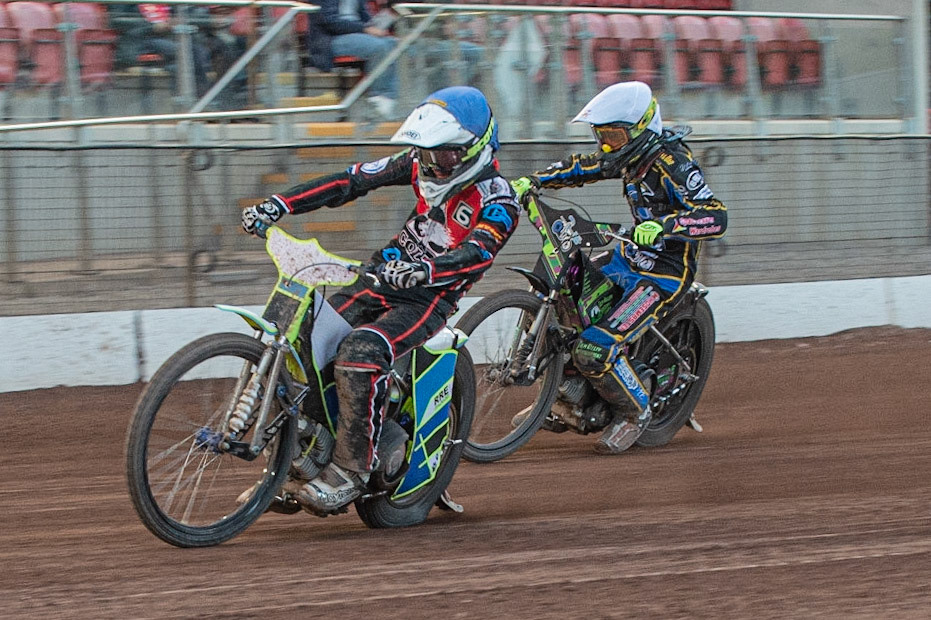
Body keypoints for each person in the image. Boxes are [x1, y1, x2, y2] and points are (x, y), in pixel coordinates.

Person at [241, 86, 519, 511]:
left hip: (428, 297)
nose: (431, 165)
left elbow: (478, 251)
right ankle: (296, 458)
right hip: (380, 275)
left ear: (474, 149)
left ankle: (352, 469)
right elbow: (350, 181)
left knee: (361, 350)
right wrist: (279, 204)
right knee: (303, 336)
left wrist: (425, 271)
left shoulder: (499, 198)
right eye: (426, 153)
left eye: (443, 155)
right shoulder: (417, 163)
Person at [511, 81, 727, 455]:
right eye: (603, 136)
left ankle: (634, 412)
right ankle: (560, 397)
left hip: (663, 275)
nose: (607, 145)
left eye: (614, 136)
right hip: (624, 259)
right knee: (562, 298)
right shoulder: (626, 156)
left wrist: (665, 226)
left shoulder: (674, 164)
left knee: (594, 348)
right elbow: (583, 167)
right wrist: (533, 180)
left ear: (642, 128)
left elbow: (716, 216)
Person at [306, 0, 400, 119]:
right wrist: (365, 29)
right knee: (378, 47)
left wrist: (378, 25)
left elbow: (365, 18)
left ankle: (388, 98)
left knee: (393, 43)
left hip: (359, 34)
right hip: (332, 39)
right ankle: (379, 98)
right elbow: (330, 22)